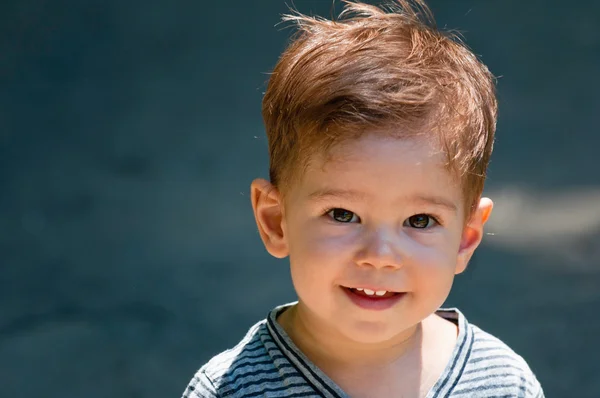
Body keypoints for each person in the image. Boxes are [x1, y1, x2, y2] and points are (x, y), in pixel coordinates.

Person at [182, 1, 544, 396]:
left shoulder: (502, 382)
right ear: (275, 220)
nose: (380, 254)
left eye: (420, 220)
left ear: (466, 237)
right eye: (342, 214)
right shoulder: (231, 389)